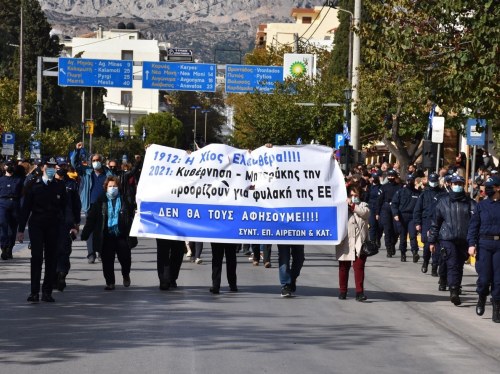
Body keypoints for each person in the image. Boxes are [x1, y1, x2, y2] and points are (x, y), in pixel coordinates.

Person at [17, 157, 66, 303]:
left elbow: (64, 207)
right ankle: (34, 292)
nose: (51, 168)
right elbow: (25, 208)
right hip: (37, 224)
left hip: (53, 225)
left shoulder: (59, 185)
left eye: (53, 166)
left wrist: (68, 225)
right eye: (48, 166)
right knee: (37, 257)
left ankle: (47, 292)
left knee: (51, 258)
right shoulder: (33, 184)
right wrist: (20, 229)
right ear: (43, 167)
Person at [428, 175, 476, 306]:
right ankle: (454, 290)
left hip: (464, 239)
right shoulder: (443, 202)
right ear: (451, 185)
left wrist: (474, 241)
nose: (458, 185)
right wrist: (432, 241)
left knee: (459, 265)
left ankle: (456, 286)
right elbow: (435, 223)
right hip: (447, 238)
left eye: (460, 183)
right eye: (456, 183)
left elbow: (476, 222)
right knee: (452, 264)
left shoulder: (470, 203)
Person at [80, 176, 134, 290]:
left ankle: (125, 274)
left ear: (118, 187)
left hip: (121, 235)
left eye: (115, 186)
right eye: (110, 186)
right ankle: (110, 282)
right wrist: (85, 233)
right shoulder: (100, 201)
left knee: (126, 259)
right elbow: (91, 219)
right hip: (106, 236)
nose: (112, 188)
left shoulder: (125, 201)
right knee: (107, 261)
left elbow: (132, 217)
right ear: (106, 187)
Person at [71, 142, 112, 263]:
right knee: (90, 230)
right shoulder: (87, 172)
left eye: (98, 160)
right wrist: (77, 151)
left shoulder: (108, 173)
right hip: (90, 205)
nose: (96, 162)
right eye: (94, 160)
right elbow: (75, 163)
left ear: (102, 161)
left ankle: (101, 251)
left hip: (105, 206)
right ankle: (91, 253)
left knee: (103, 230)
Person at [467, 175, 500, 322]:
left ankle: (497, 307)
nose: (487, 190)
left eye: (490, 187)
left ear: (498, 188)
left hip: (499, 245)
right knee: (485, 278)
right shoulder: (481, 206)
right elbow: (473, 226)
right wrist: (471, 244)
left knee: (498, 281)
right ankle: (481, 297)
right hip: (484, 244)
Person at [336, 184, 370, 301]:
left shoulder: (363, 206)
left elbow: (364, 213)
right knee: (343, 267)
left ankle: (359, 292)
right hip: (346, 241)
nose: (353, 197)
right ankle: (342, 291)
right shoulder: (342, 207)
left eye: (355, 195)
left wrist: (353, 205)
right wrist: (345, 205)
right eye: (351, 195)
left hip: (359, 242)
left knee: (359, 267)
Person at [53, 158, 81, 291]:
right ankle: (53, 275)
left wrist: (77, 223)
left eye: (64, 165)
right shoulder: (48, 182)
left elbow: (76, 204)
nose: (62, 168)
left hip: (67, 222)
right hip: (51, 221)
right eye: (60, 166)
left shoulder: (71, 184)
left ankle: (62, 274)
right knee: (52, 250)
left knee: (64, 250)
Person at [413, 173, 445, 275]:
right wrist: (417, 222)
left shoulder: (442, 194)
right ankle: (425, 261)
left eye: (435, 180)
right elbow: (417, 209)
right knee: (427, 245)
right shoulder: (424, 194)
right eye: (432, 180)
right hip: (427, 221)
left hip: (439, 222)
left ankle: (434, 266)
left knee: (437, 245)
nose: (433, 182)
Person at [391, 174, 421, 262]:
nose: (410, 182)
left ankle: (415, 252)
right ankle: (403, 253)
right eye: (408, 180)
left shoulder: (418, 193)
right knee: (403, 236)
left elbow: (420, 207)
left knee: (413, 235)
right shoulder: (400, 192)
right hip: (402, 216)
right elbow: (394, 204)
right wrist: (395, 214)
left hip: (413, 217)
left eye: (411, 181)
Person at [0, 162, 23, 260]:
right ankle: (4, 248)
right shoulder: (1, 180)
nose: (9, 167)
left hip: (15, 204)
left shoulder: (19, 180)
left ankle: (10, 248)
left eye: (11, 165)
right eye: (7, 165)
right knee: (3, 225)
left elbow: (23, 194)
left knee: (12, 229)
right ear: (4, 167)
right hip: (2, 203)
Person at [378, 169, 401, 257]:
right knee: (387, 230)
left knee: (396, 230)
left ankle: (392, 244)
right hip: (386, 208)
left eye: (392, 176)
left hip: (396, 209)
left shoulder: (399, 187)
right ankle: (388, 249)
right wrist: (378, 212)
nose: (391, 177)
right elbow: (379, 200)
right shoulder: (384, 187)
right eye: (389, 176)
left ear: (395, 177)